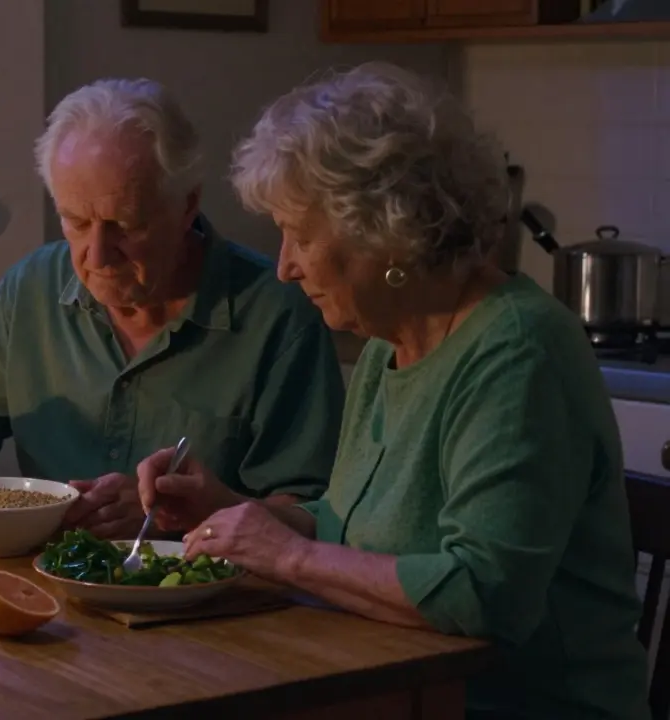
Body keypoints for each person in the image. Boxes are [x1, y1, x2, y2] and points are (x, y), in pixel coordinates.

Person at [138, 63, 650, 719]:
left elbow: (482, 594)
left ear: (383, 232)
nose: (286, 267)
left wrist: (287, 556)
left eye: (301, 236)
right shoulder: (389, 340)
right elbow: (348, 527)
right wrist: (230, 513)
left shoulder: (520, 351)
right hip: (385, 686)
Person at [0, 77, 346, 540]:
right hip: (42, 570)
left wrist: (182, 515)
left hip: (204, 579)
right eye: (76, 222)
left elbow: (309, 514)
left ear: (187, 205)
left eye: (125, 225)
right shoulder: (32, 289)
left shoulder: (279, 315)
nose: (97, 255)